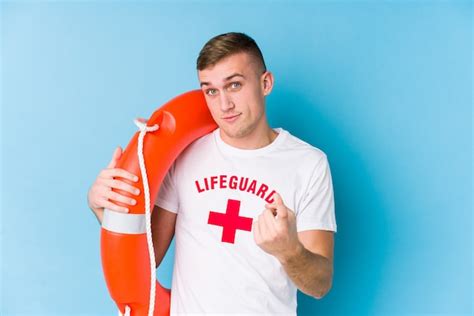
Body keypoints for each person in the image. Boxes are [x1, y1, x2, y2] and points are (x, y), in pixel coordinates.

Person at [87, 32, 337, 315]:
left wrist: (289, 250)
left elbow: (319, 284)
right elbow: (148, 256)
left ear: (265, 83)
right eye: (211, 90)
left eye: (234, 85)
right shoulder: (185, 154)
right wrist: (105, 212)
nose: (224, 105)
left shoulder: (308, 164)